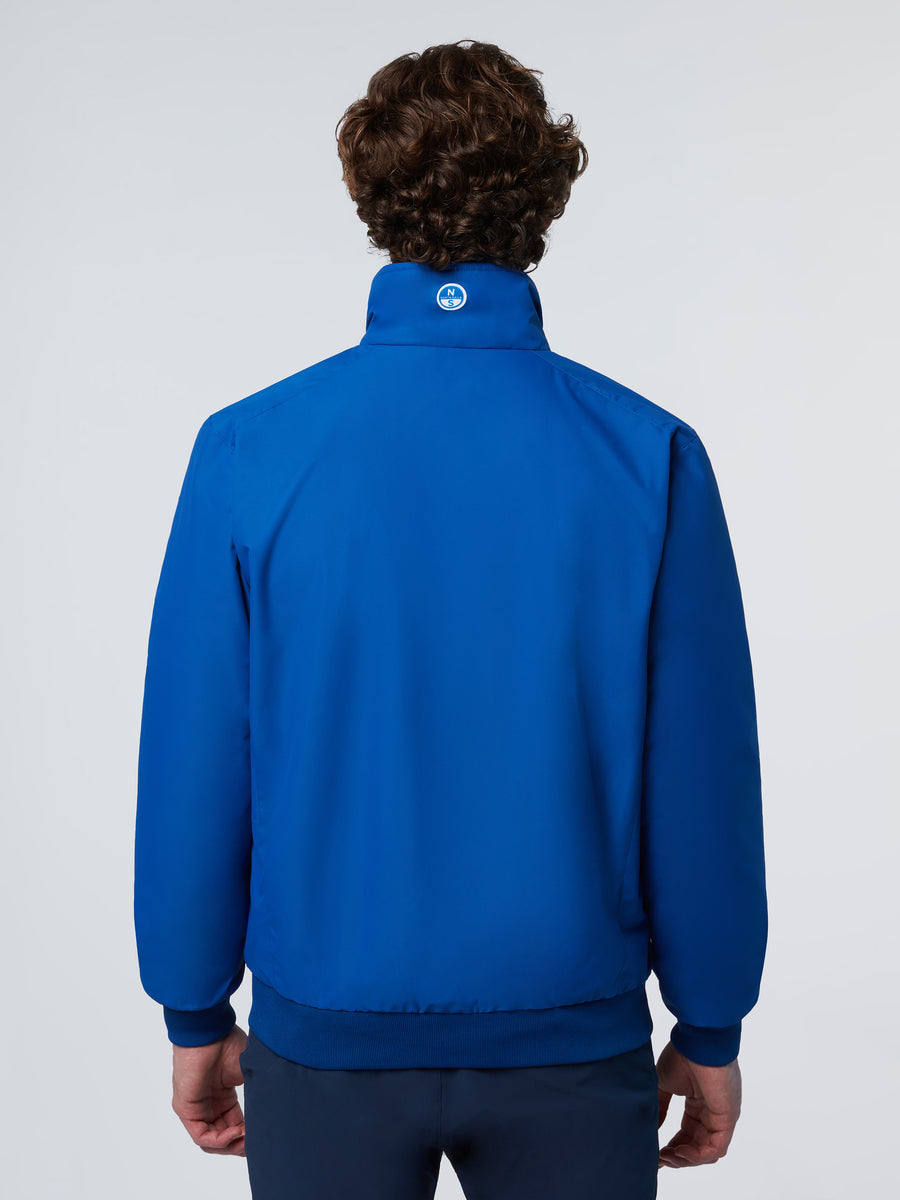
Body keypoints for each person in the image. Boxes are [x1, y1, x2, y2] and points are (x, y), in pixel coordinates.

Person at [133, 38, 767, 1200]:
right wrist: (711, 1023)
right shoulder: (647, 456)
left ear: (369, 194)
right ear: (546, 197)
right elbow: (701, 776)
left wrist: (193, 1008)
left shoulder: (249, 452)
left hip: (325, 1035)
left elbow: (194, 756)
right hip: (572, 1039)